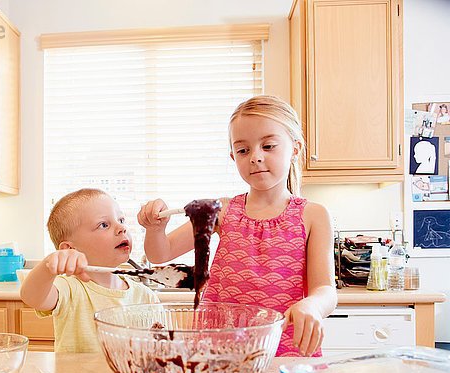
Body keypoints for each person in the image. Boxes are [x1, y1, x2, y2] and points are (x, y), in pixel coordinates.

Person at [138, 95, 337, 357]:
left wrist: (312, 305)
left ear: (296, 148)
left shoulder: (314, 215)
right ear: (233, 156)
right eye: (243, 150)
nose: (255, 157)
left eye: (268, 146)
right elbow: (160, 254)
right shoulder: (220, 210)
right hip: (219, 350)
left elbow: (325, 289)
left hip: (284, 348)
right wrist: (155, 229)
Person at [21, 188, 159, 352]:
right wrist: (48, 267)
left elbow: (160, 349)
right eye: (104, 225)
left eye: (121, 220)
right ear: (69, 249)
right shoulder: (69, 289)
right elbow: (32, 297)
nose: (121, 228)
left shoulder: (146, 297)